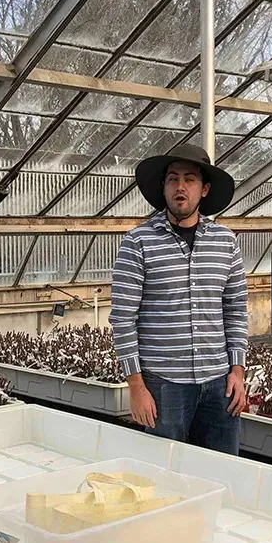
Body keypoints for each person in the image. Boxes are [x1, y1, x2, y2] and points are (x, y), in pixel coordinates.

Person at [110, 143, 249, 455]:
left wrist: (238, 371)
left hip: (219, 384)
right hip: (163, 387)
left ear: (204, 189)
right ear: (164, 188)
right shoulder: (138, 243)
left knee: (222, 473)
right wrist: (136, 387)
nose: (180, 187)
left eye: (190, 179)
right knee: (165, 475)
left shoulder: (225, 242)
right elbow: (122, 319)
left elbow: (236, 310)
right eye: (172, 179)